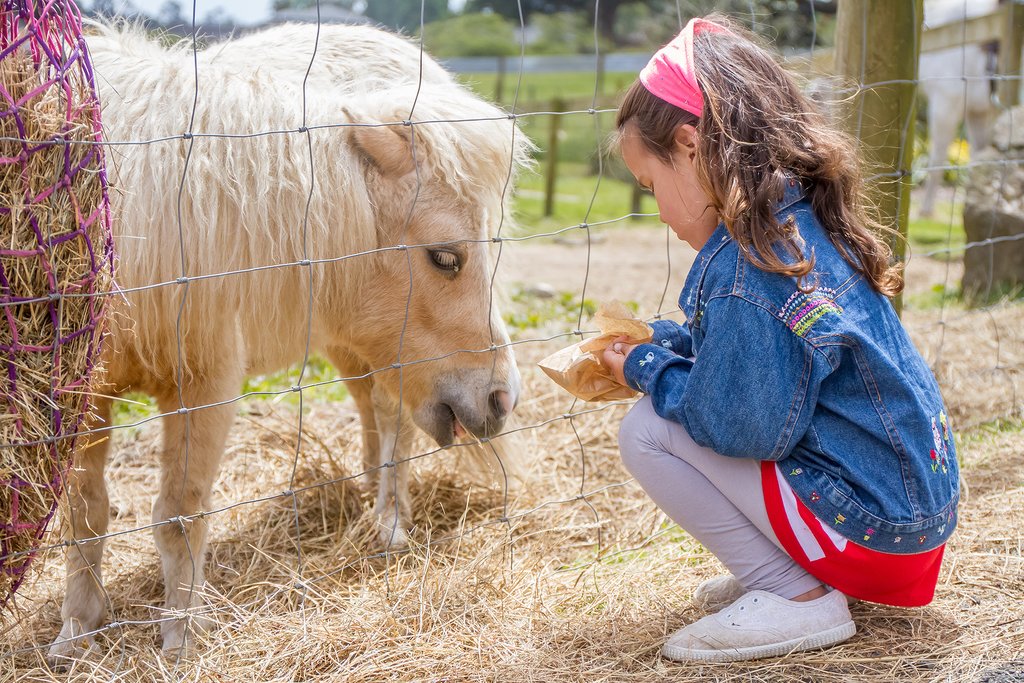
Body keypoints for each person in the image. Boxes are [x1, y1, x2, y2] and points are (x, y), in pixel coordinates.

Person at [599, 15, 959, 664]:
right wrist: (674, 342)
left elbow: (738, 425)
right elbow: (767, 372)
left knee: (647, 429)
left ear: (688, 145)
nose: (656, 209)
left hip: (875, 539)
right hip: (913, 523)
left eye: (650, 186)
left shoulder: (748, 268)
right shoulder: (805, 223)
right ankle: (789, 565)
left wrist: (647, 366)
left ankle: (793, 592)